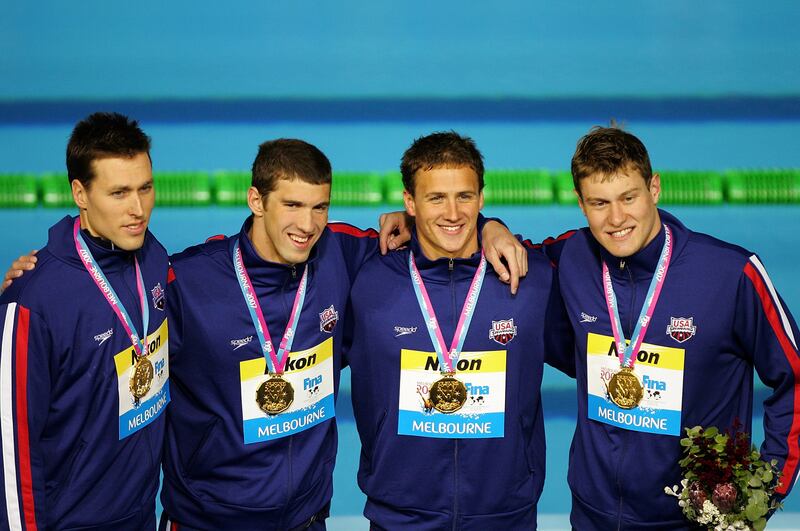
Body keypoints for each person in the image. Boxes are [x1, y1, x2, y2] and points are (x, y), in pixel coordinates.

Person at [535, 126, 800, 529]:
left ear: (654, 188)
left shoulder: (730, 274)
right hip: (594, 514)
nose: (617, 218)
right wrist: (484, 227)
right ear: (581, 203)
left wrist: (765, 490)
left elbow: (794, 376)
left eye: (629, 197)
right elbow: (493, 255)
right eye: (599, 203)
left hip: (692, 521)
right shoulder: (572, 256)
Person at [346, 131, 573, 529]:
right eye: (436, 198)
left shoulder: (531, 276)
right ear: (409, 202)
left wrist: (492, 226)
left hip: (505, 516)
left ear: (481, 198)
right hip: (400, 517)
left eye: (464, 196)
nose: (453, 213)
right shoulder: (366, 276)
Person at [0, 112, 169, 530]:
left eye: (145, 188)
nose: (137, 209)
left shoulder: (151, 257)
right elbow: (11, 453)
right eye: (118, 193)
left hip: (141, 513)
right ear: (81, 193)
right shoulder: (35, 302)